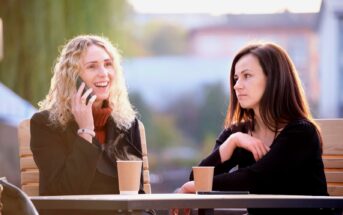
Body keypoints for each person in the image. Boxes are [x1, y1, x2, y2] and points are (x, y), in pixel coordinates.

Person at [175, 42, 331, 215]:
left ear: (273, 79)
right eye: (236, 78)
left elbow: (256, 178)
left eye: (247, 76)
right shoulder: (238, 134)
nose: (237, 86)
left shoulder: (301, 133)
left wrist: (198, 185)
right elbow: (197, 179)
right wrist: (232, 142)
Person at [30, 35, 153, 214]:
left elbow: (139, 199)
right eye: (92, 66)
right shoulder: (46, 124)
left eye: (108, 64)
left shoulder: (127, 123)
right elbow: (63, 193)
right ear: (73, 78)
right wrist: (86, 130)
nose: (104, 73)